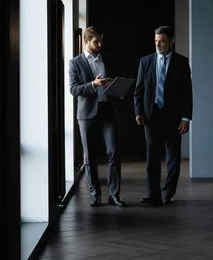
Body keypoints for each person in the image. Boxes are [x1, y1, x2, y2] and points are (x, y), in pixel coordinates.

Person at [133, 25, 193, 205]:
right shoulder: (146, 61)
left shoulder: (181, 62)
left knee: (173, 158)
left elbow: (187, 93)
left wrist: (185, 118)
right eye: (156, 41)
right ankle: (153, 195)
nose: (158, 44)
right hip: (151, 117)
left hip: (174, 118)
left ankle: (168, 193)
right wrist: (138, 112)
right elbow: (138, 91)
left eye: (162, 41)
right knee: (152, 158)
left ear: (171, 42)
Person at [69, 26, 126, 207]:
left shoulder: (109, 59)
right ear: (86, 41)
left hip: (108, 110)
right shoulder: (75, 63)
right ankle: (95, 195)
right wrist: (93, 84)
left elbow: (115, 81)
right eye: (96, 41)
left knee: (114, 152)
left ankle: (114, 194)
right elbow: (73, 89)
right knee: (89, 156)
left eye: (101, 40)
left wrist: (120, 91)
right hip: (86, 114)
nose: (100, 44)